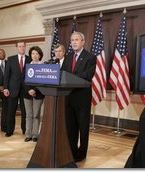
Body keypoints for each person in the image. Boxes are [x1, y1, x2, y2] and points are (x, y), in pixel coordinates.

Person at [62, 32, 96, 162]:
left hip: (82, 97)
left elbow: (88, 75)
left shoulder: (90, 57)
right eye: (72, 40)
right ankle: (71, 151)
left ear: (83, 42)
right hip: (68, 96)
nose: (74, 42)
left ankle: (81, 154)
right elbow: (63, 73)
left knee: (83, 127)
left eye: (76, 40)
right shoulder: (68, 57)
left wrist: (71, 78)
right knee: (71, 127)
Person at [3, 40, 31, 137]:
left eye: (23, 46)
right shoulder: (11, 59)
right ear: (17, 48)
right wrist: (5, 88)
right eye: (19, 46)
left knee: (25, 111)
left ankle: (25, 130)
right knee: (11, 111)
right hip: (12, 89)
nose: (22, 48)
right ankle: (9, 130)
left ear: (25, 47)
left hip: (25, 89)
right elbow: (6, 75)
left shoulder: (29, 59)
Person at [23, 46, 45, 142]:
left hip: (38, 94)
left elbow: (43, 81)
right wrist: (29, 90)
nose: (34, 55)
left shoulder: (42, 66)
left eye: (36, 53)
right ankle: (28, 134)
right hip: (27, 94)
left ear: (40, 55)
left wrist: (35, 90)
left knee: (36, 115)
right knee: (29, 114)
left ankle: (35, 135)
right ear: (30, 55)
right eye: (32, 53)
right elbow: (22, 80)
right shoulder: (26, 66)